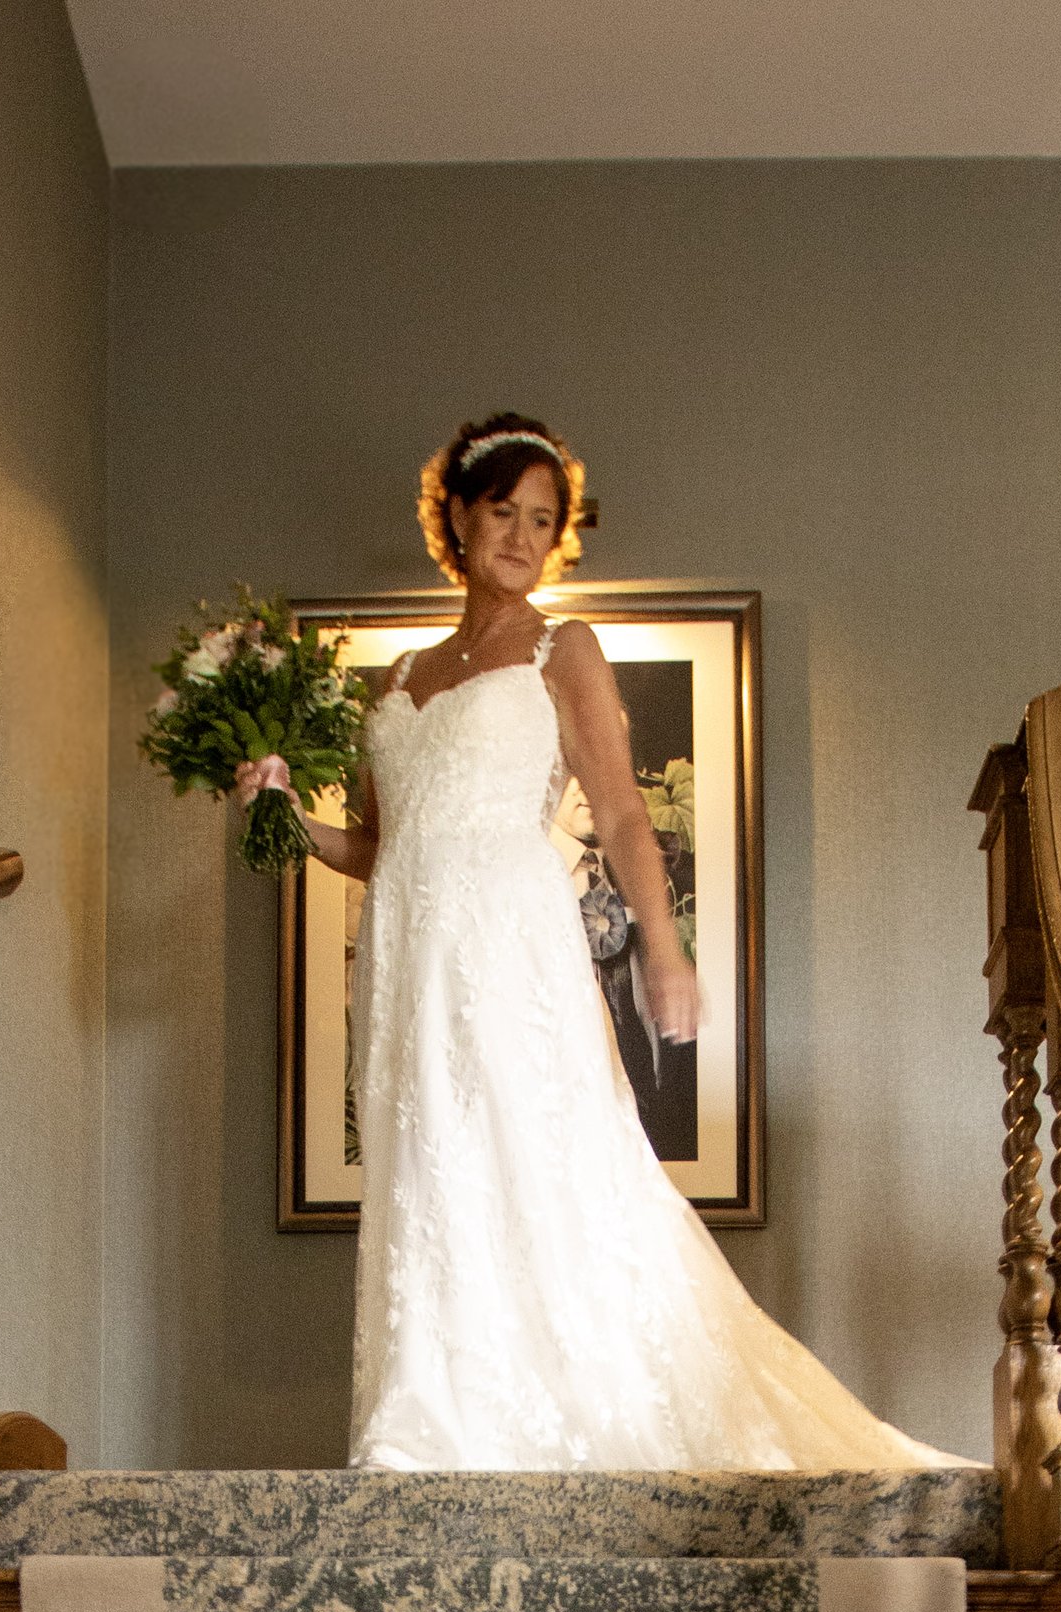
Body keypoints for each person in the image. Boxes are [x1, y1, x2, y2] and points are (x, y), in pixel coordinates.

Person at [246, 410, 964, 1474]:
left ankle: (537, 1421)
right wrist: (274, 811)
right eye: (506, 512)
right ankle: (431, 1418)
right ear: (456, 514)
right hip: (409, 961)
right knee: (432, 1169)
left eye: (545, 520)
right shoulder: (393, 681)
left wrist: (663, 949)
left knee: (537, 1162)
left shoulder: (561, 648)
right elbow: (374, 846)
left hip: (508, 947)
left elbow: (623, 814)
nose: (525, 537)